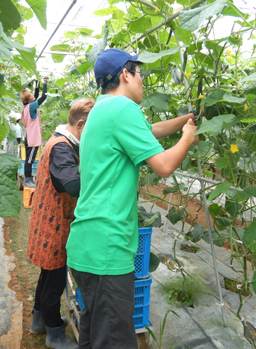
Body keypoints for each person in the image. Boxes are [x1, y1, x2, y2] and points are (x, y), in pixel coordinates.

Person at [66, 48, 199, 348]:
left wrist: (184, 121)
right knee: (115, 341)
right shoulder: (124, 111)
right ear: (126, 74)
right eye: (140, 73)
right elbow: (163, 166)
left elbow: (148, 131)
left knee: (93, 334)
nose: (143, 80)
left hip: (86, 246)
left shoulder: (102, 111)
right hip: (107, 250)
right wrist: (187, 139)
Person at [26, 98, 95, 349]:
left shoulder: (62, 142)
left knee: (47, 276)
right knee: (53, 281)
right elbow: (73, 185)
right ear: (80, 125)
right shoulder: (62, 148)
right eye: (93, 129)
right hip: (52, 227)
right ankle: (54, 333)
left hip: (50, 222)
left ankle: (39, 321)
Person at [20, 77, 49, 188]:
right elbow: (43, 97)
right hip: (32, 137)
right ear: (28, 100)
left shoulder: (26, 106)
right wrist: (45, 83)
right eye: (31, 96)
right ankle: (27, 180)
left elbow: (36, 96)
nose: (33, 97)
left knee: (29, 158)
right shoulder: (32, 106)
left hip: (29, 136)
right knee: (30, 159)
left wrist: (37, 84)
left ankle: (29, 178)